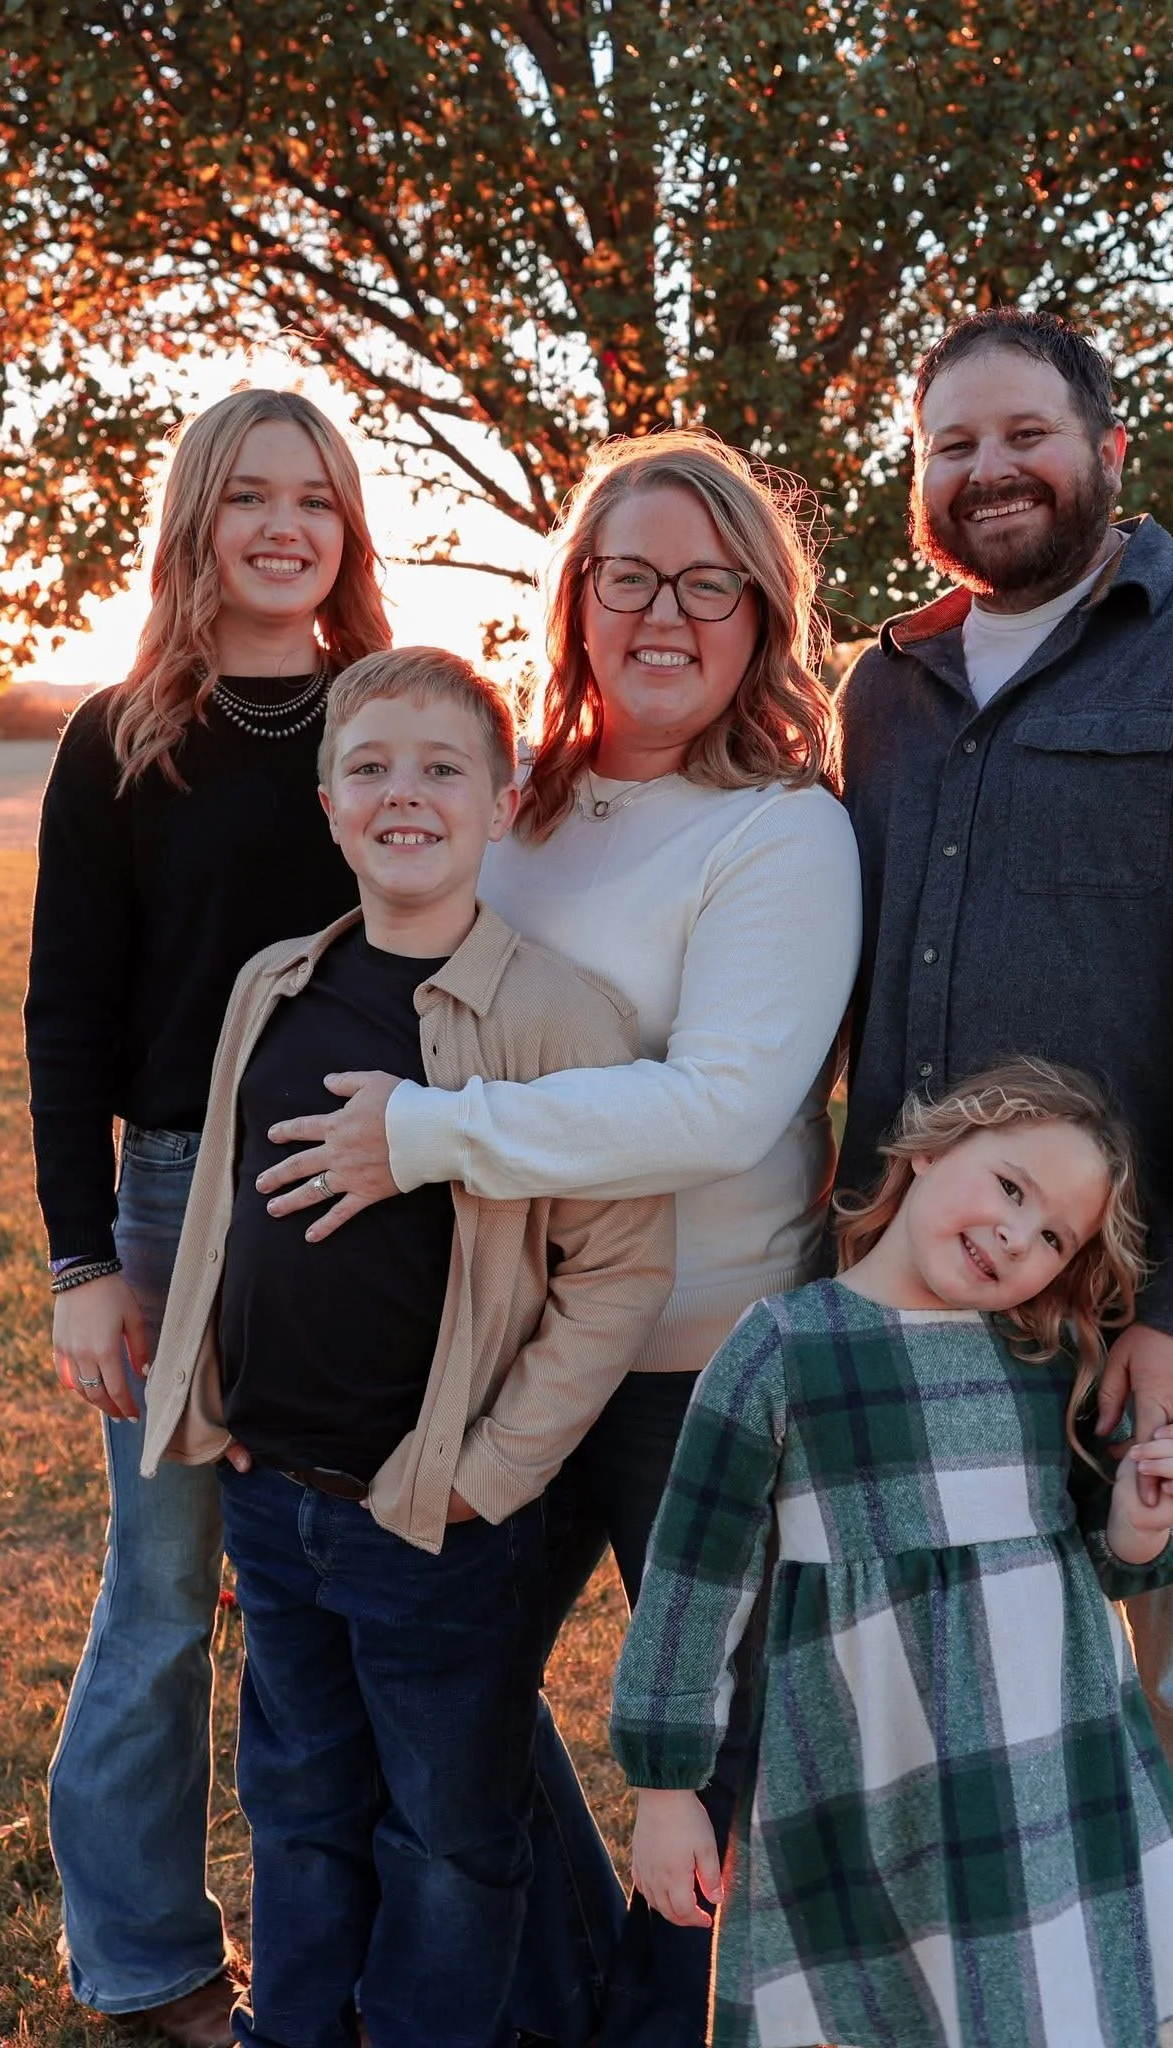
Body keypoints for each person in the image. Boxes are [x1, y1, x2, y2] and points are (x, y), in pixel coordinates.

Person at [253, 431, 863, 2047]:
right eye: (628, 574)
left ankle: (657, 2021)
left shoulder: (785, 832)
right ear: (578, 597)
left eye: (708, 581)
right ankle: (571, 1987)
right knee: (445, 1697)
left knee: (696, 1748)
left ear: (760, 612)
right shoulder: (521, 805)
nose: (665, 611)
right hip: (509, 1345)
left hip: (704, 1368)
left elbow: (720, 1105)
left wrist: (428, 1136)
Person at [835, 309, 1173, 2048]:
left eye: (1022, 435)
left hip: (1153, 1306)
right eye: (950, 447)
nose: (987, 473)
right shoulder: (888, 685)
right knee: (966, 1694)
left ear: (1108, 451)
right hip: (928, 1299)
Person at [140, 647, 674, 2048]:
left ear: (502, 803)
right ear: (327, 803)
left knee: (447, 1831)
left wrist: (484, 1474)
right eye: (370, 766)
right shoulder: (276, 981)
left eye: (442, 768)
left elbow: (616, 1271)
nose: (403, 795)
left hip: (435, 1513)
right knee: (299, 1801)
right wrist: (213, 1405)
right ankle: (297, 2028)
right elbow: (218, 1215)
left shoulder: (553, 1014)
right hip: (272, 1487)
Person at [614, 1059, 1173, 2048]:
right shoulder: (785, 1347)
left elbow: (1101, 1554)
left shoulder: (1044, 1355)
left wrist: (1141, 1520)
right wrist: (665, 1787)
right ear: (929, 1147)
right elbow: (695, 1585)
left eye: (1052, 1236)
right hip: (875, 1776)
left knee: (1079, 1998)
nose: (1015, 1235)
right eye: (1008, 1185)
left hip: (1054, 1767)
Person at [24, 388, 391, 2046]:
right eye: (249, 494)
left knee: (387, 1578)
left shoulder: (382, 718)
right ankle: (147, 1959)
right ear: (195, 520)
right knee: (170, 1593)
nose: (284, 525)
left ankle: (400, 1935)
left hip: (375, 1185)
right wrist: (83, 1261)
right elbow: (65, 1020)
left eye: (315, 496)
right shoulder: (122, 740)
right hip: (178, 1201)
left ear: (346, 526)